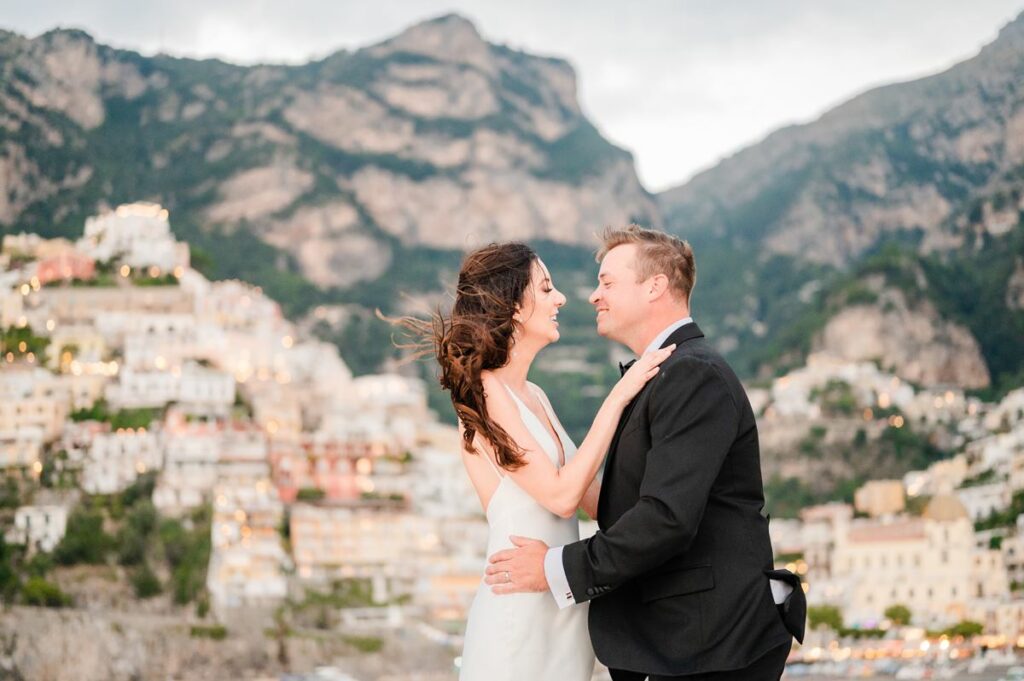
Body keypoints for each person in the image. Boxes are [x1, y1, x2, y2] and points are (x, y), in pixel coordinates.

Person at [484, 225, 806, 680]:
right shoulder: (665, 374)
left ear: (655, 286)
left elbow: (665, 518)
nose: (593, 296)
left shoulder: (693, 374)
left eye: (607, 282)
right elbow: (628, 500)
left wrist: (554, 568)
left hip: (706, 644)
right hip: (676, 642)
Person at [405, 241, 673, 680]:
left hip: (561, 604)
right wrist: (620, 397)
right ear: (512, 307)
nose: (562, 298)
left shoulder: (539, 398)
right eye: (546, 288)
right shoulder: (486, 392)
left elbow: (594, 499)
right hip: (520, 609)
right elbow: (561, 496)